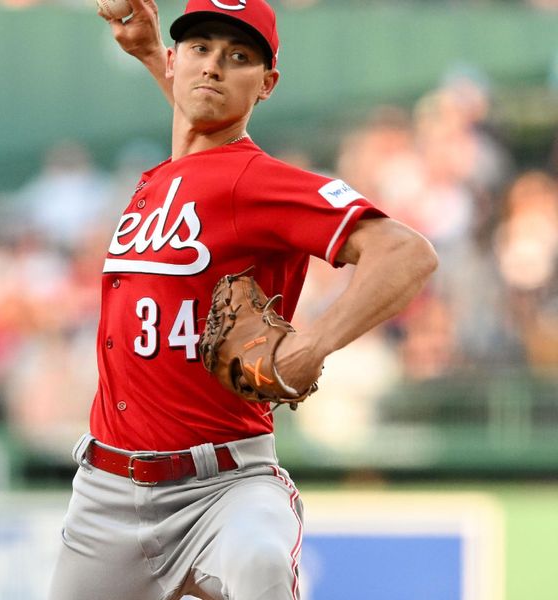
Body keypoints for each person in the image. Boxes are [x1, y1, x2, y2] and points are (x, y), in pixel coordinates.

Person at [48, 1, 438, 599]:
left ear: (267, 84)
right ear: (177, 60)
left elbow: (406, 252)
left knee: (259, 564)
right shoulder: (166, 176)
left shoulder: (258, 180)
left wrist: (315, 341)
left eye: (238, 58)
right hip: (107, 492)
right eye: (200, 49)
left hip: (223, 486)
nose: (214, 68)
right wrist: (151, 54)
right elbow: (200, 137)